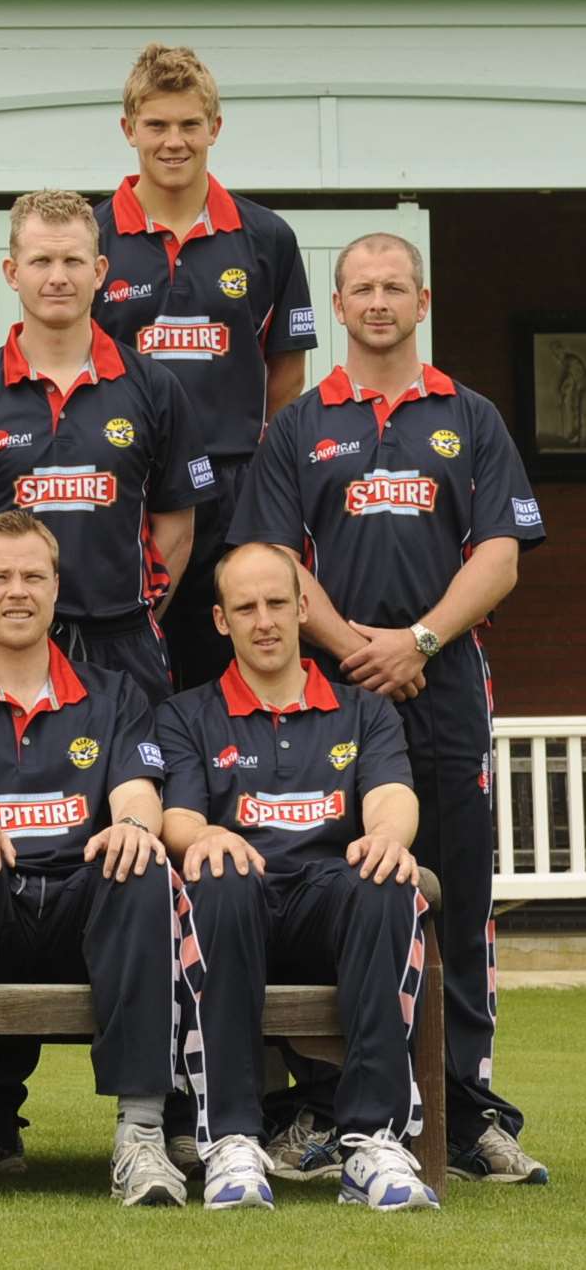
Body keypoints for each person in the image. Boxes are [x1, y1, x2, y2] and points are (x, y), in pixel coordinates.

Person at [228, 232, 548, 1184]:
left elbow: (500, 554)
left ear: (423, 299)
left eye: (393, 287)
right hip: (331, 692)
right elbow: (273, 562)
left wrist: (418, 642)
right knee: (327, 888)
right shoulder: (298, 424)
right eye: (361, 288)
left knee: (457, 896)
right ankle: (324, 1107)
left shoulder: (472, 415)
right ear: (336, 303)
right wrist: (358, 649)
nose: (377, 301)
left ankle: (462, 1109)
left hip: (442, 685)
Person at [0, 511, 185, 1208]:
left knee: (143, 862)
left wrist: (132, 827)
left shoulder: (114, 693)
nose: (17, 590)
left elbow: (138, 796)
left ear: (58, 588)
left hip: (81, 910)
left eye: (33, 575)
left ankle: (142, 1135)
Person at [155, 542, 438, 1211]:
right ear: (221, 621)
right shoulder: (186, 715)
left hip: (325, 903)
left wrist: (391, 841)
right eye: (245, 607)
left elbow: (393, 797)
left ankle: (372, 1143)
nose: (265, 620)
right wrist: (207, 835)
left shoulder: (364, 711)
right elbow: (177, 821)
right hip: (234, 904)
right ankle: (231, 1141)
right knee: (216, 877)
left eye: (278, 603)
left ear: (303, 607)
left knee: (387, 879)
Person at [0, 188, 215, 706]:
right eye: (41, 261)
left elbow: (178, 530)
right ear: (12, 272)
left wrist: (134, 619)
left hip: (123, 646)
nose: (58, 277)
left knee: (136, 787)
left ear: (100, 270)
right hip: (2, 644)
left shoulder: (156, 387)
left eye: (73, 260)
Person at [93, 43, 317, 691]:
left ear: (215, 128)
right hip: (126, 488)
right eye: (157, 125)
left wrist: (257, 469)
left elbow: (286, 376)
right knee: (128, 665)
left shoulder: (266, 236)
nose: (174, 141)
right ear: (128, 128)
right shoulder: (93, 237)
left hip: (233, 490)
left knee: (238, 665)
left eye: (190, 124)